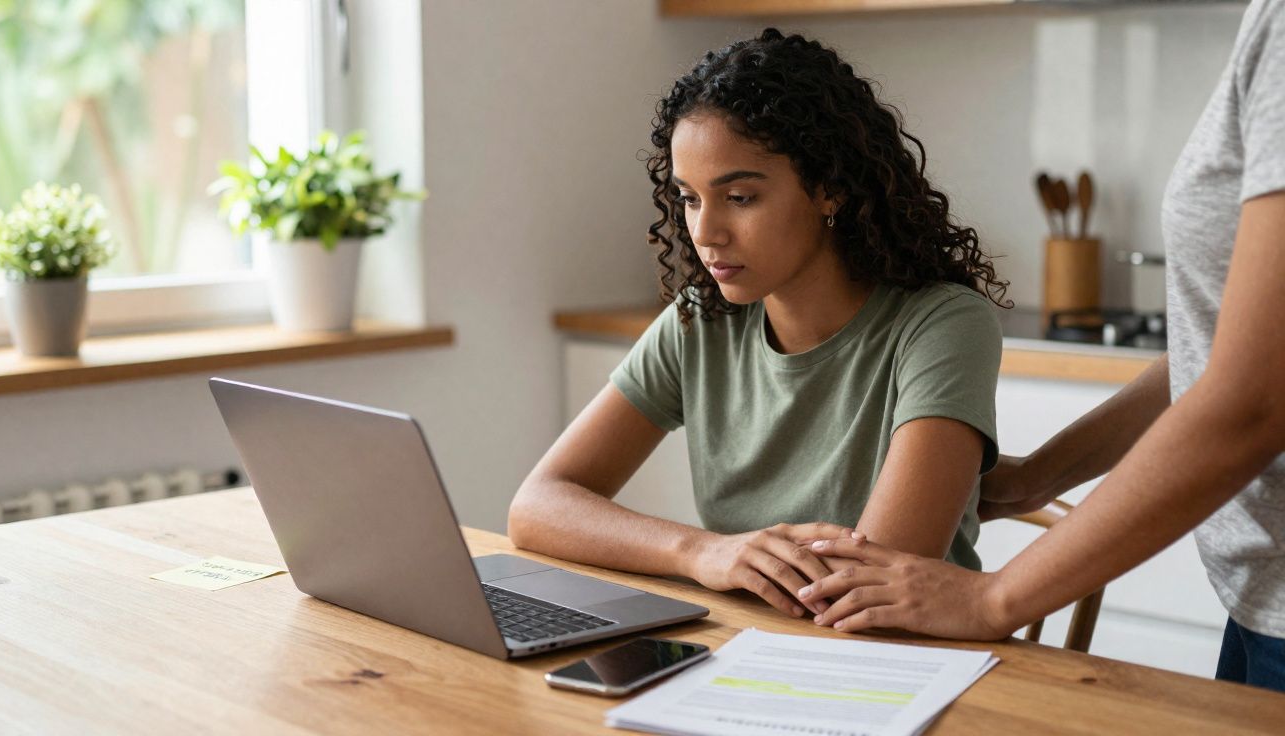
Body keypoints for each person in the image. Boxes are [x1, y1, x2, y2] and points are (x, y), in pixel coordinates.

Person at [799, 0, 1285, 692]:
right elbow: (1219, 352)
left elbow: (1253, 399)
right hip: (1259, 597)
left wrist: (993, 598)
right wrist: (1037, 479)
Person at [508, 29, 1010, 620]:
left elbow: (876, 578)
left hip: (892, 652)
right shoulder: (701, 321)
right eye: (690, 198)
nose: (705, 232)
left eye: (740, 197)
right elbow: (537, 506)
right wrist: (702, 552)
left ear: (830, 189)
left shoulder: (942, 326)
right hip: (746, 640)